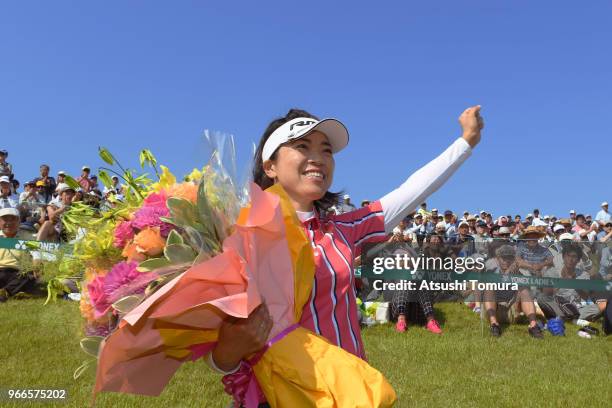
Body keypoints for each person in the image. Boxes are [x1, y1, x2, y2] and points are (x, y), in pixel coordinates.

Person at [208, 105, 483, 384]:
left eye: (326, 150)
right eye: (302, 146)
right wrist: (226, 354)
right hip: (273, 395)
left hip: (349, 392)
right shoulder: (240, 235)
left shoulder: (345, 229)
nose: (318, 158)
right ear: (270, 166)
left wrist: (466, 142)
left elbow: (411, 190)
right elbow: (213, 346)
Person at [483, 245, 544, 338]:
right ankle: (494, 325)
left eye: (509, 258)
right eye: (503, 258)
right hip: (494, 311)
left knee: (524, 289)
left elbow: (524, 295)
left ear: (513, 260)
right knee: (489, 287)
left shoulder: (519, 274)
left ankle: (533, 325)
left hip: (512, 311)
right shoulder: (491, 272)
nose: (506, 261)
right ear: (498, 259)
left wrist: (517, 276)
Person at [0, 208, 40, 302]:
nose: (9, 223)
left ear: (19, 222)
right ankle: (14, 291)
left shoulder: (28, 237)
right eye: (5, 219)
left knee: (29, 276)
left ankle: (5, 292)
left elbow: (37, 255)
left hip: (18, 273)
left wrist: (37, 266)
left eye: (13, 219)